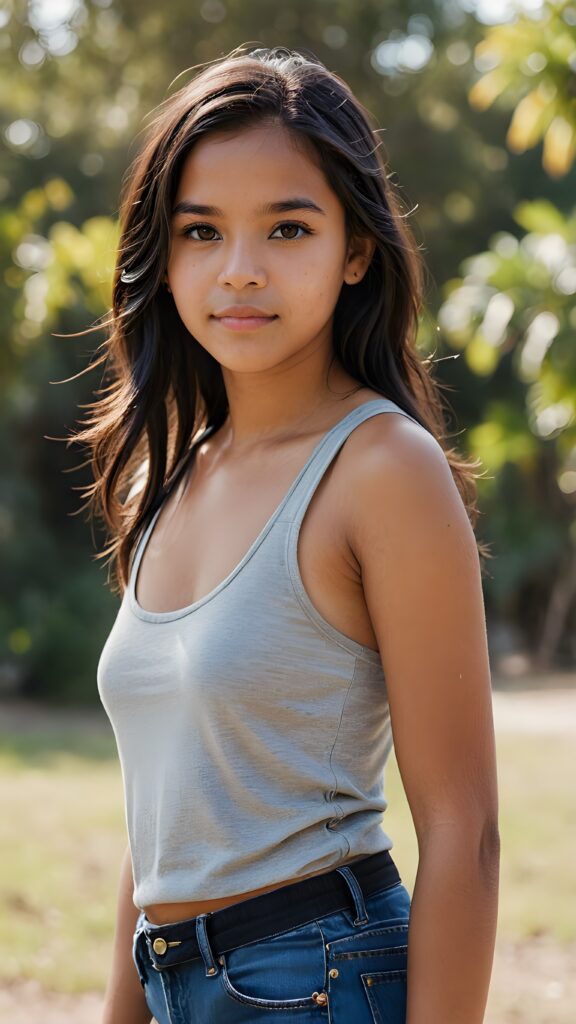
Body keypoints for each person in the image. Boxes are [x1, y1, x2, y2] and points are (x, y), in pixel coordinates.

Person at [78, 44, 499, 1024]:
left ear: (356, 251)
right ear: (164, 256)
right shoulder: (168, 477)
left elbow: (465, 829)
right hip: (177, 980)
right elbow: (163, 820)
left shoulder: (382, 468)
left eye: (288, 228)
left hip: (315, 981)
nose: (240, 271)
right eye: (201, 231)